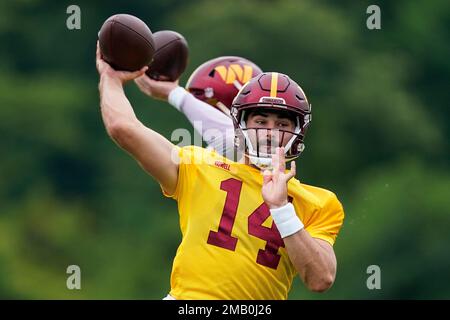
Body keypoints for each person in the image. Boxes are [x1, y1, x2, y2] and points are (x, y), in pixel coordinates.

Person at [96, 43, 345, 299]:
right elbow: (124, 128)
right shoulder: (199, 167)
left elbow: (320, 278)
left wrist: (282, 208)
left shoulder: (319, 203)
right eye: (260, 122)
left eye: (282, 124)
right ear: (239, 126)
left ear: (297, 133)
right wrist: (110, 78)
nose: (270, 132)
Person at [134, 56, 262, 160]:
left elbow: (235, 142)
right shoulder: (207, 158)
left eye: (204, 108)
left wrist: (174, 94)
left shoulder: (264, 154)